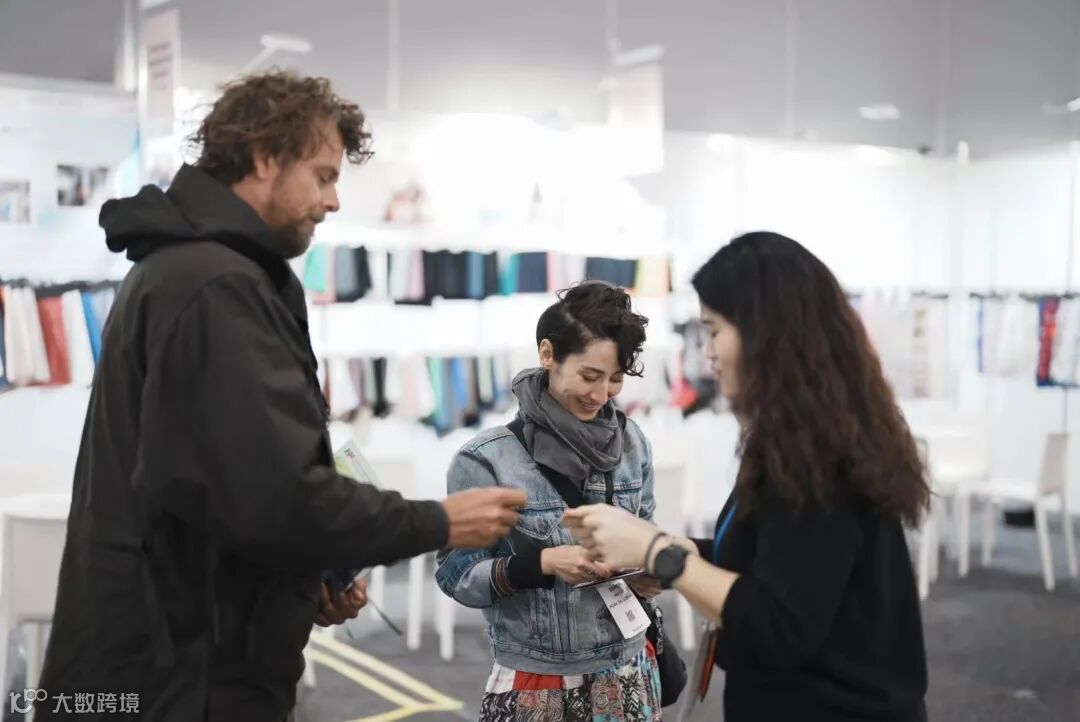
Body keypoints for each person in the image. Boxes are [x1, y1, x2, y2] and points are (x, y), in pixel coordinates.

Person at [38, 71, 526, 722]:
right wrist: (440, 522)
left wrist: (300, 572)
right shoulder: (215, 287)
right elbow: (278, 494)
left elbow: (220, 489)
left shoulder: (196, 271)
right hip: (182, 675)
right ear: (266, 158)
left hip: (182, 652)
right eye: (323, 176)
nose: (333, 201)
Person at [565, 232, 930, 721]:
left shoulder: (816, 456)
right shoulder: (807, 436)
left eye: (715, 332)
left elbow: (777, 625)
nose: (708, 354)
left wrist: (661, 554)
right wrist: (674, 553)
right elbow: (785, 563)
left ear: (766, 335)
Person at [435, 281, 665, 721]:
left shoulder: (633, 442)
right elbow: (455, 573)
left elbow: (648, 534)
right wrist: (541, 564)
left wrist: (649, 571)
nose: (601, 395)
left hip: (631, 668)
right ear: (547, 355)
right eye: (589, 376)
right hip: (539, 683)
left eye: (615, 379)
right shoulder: (487, 460)